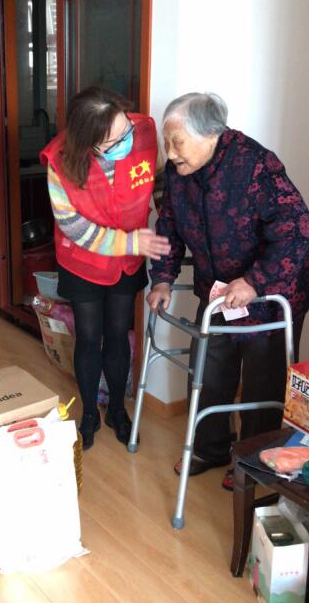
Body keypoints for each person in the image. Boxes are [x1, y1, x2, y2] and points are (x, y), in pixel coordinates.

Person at [148, 92, 309, 489]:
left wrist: (254, 281)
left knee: (262, 382)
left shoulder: (256, 166)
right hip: (219, 294)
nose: (170, 153)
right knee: (207, 369)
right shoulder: (178, 173)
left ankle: (252, 464)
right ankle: (210, 448)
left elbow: (297, 230)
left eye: (177, 142)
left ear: (211, 134)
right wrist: (163, 278)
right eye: (167, 143)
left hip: (270, 296)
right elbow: (168, 225)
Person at [41, 86, 171, 449]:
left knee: (118, 334)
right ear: (89, 144)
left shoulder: (143, 133)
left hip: (128, 261)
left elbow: (160, 182)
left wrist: (170, 218)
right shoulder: (60, 161)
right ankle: (88, 414)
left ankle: (117, 410)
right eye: (114, 140)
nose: (126, 139)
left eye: (124, 128)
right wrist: (130, 243)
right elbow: (72, 226)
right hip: (83, 260)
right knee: (88, 337)